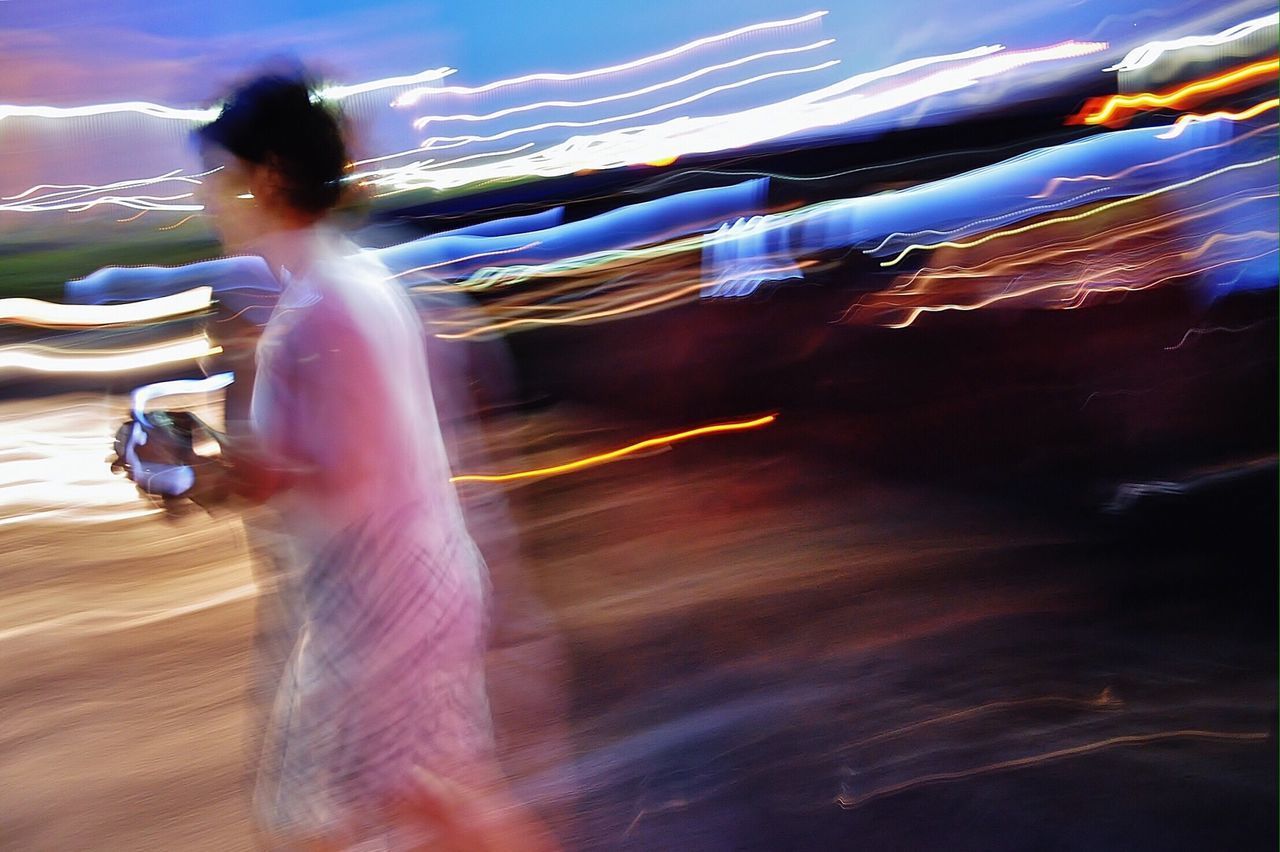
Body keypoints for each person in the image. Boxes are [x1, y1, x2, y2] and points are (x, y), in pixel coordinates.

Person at [122, 71, 556, 851]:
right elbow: (332, 461)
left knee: (335, 821)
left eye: (220, 176)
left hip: (383, 607)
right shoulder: (348, 283)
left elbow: (335, 476)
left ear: (270, 177)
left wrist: (197, 472)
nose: (208, 199)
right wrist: (202, 468)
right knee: (435, 807)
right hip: (405, 591)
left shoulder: (323, 308)